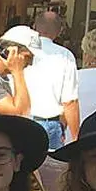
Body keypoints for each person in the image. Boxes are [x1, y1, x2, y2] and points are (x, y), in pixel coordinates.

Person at [27, 11, 80, 149]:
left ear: (34, 27)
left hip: (21, 119)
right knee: (53, 168)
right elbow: (70, 101)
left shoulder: (20, 51)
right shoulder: (65, 56)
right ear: (60, 31)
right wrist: (75, 137)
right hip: (50, 124)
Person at [0, 25, 41, 118]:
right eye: (27, 57)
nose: (30, 63)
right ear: (8, 52)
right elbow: (21, 113)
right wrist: (18, 72)